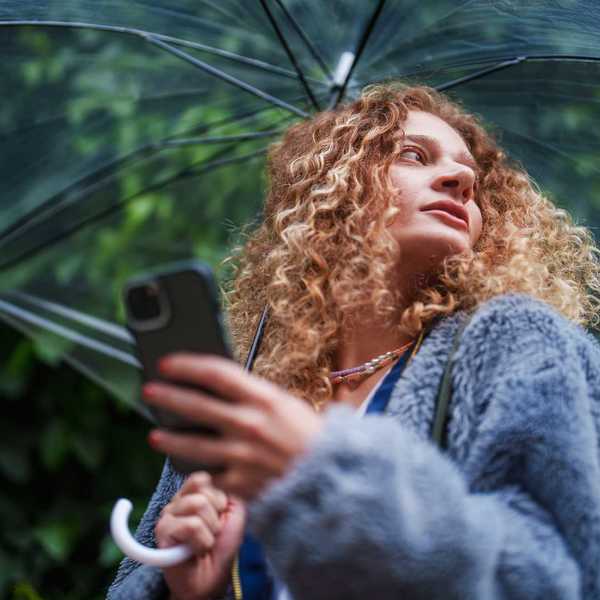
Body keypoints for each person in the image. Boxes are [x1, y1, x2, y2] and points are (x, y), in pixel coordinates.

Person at [107, 83, 600, 600]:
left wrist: (326, 470)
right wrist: (200, 590)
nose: (460, 180)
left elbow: (556, 576)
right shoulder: (256, 393)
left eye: (472, 182)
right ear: (337, 189)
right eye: (415, 155)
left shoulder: (517, 343)